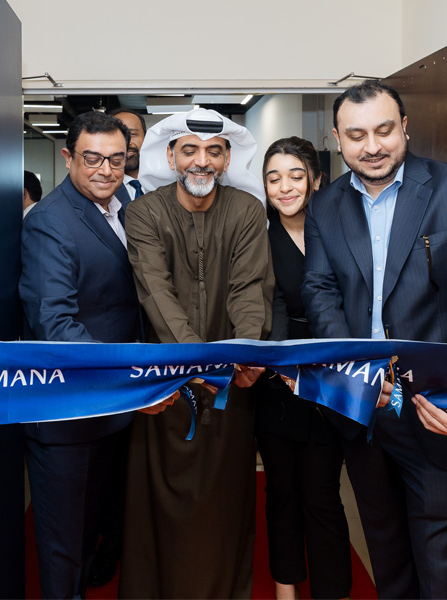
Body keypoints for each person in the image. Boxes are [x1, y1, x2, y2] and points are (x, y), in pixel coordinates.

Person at [302, 80, 447, 599]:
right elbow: (320, 295)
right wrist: (356, 378)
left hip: (442, 413)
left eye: (383, 130)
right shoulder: (325, 205)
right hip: (365, 413)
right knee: (390, 568)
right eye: (357, 135)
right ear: (336, 139)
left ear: (405, 127)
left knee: (444, 578)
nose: (372, 146)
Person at [119, 107, 274, 599]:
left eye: (213, 151)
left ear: (227, 159)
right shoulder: (144, 212)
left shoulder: (247, 211)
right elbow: (156, 291)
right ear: (171, 157)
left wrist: (246, 351)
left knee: (224, 500)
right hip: (166, 383)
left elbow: (251, 289)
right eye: (189, 150)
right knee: (162, 499)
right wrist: (198, 363)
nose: (201, 161)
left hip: (235, 381)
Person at [19, 111, 141, 599]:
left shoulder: (125, 208)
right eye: (92, 158)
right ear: (68, 157)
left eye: (116, 159)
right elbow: (55, 325)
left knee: (91, 533)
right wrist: (131, 375)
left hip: (109, 410)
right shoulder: (50, 222)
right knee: (64, 549)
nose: (105, 170)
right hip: (68, 415)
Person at [255, 137, 352, 600]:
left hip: (334, 376)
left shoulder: (339, 230)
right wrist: (278, 359)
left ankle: (333, 591)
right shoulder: (259, 238)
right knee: (281, 493)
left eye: (296, 176)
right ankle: (285, 590)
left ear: (316, 179)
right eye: (274, 178)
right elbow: (265, 304)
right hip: (278, 379)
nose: (285, 187)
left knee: (322, 494)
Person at [86, 107, 148, 590]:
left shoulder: (141, 200)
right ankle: (101, 552)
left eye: (124, 146)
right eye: (95, 157)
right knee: (95, 484)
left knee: (128, 476)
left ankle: (122, 544)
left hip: (142, 367)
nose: (108, 166)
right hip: (101, 375)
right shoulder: (67, 212)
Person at [111, 108, 147, 199]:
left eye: (133, 134)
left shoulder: (164, 183)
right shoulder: (102, 188)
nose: (127, 142)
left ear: (146, 138)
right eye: (120, 135)